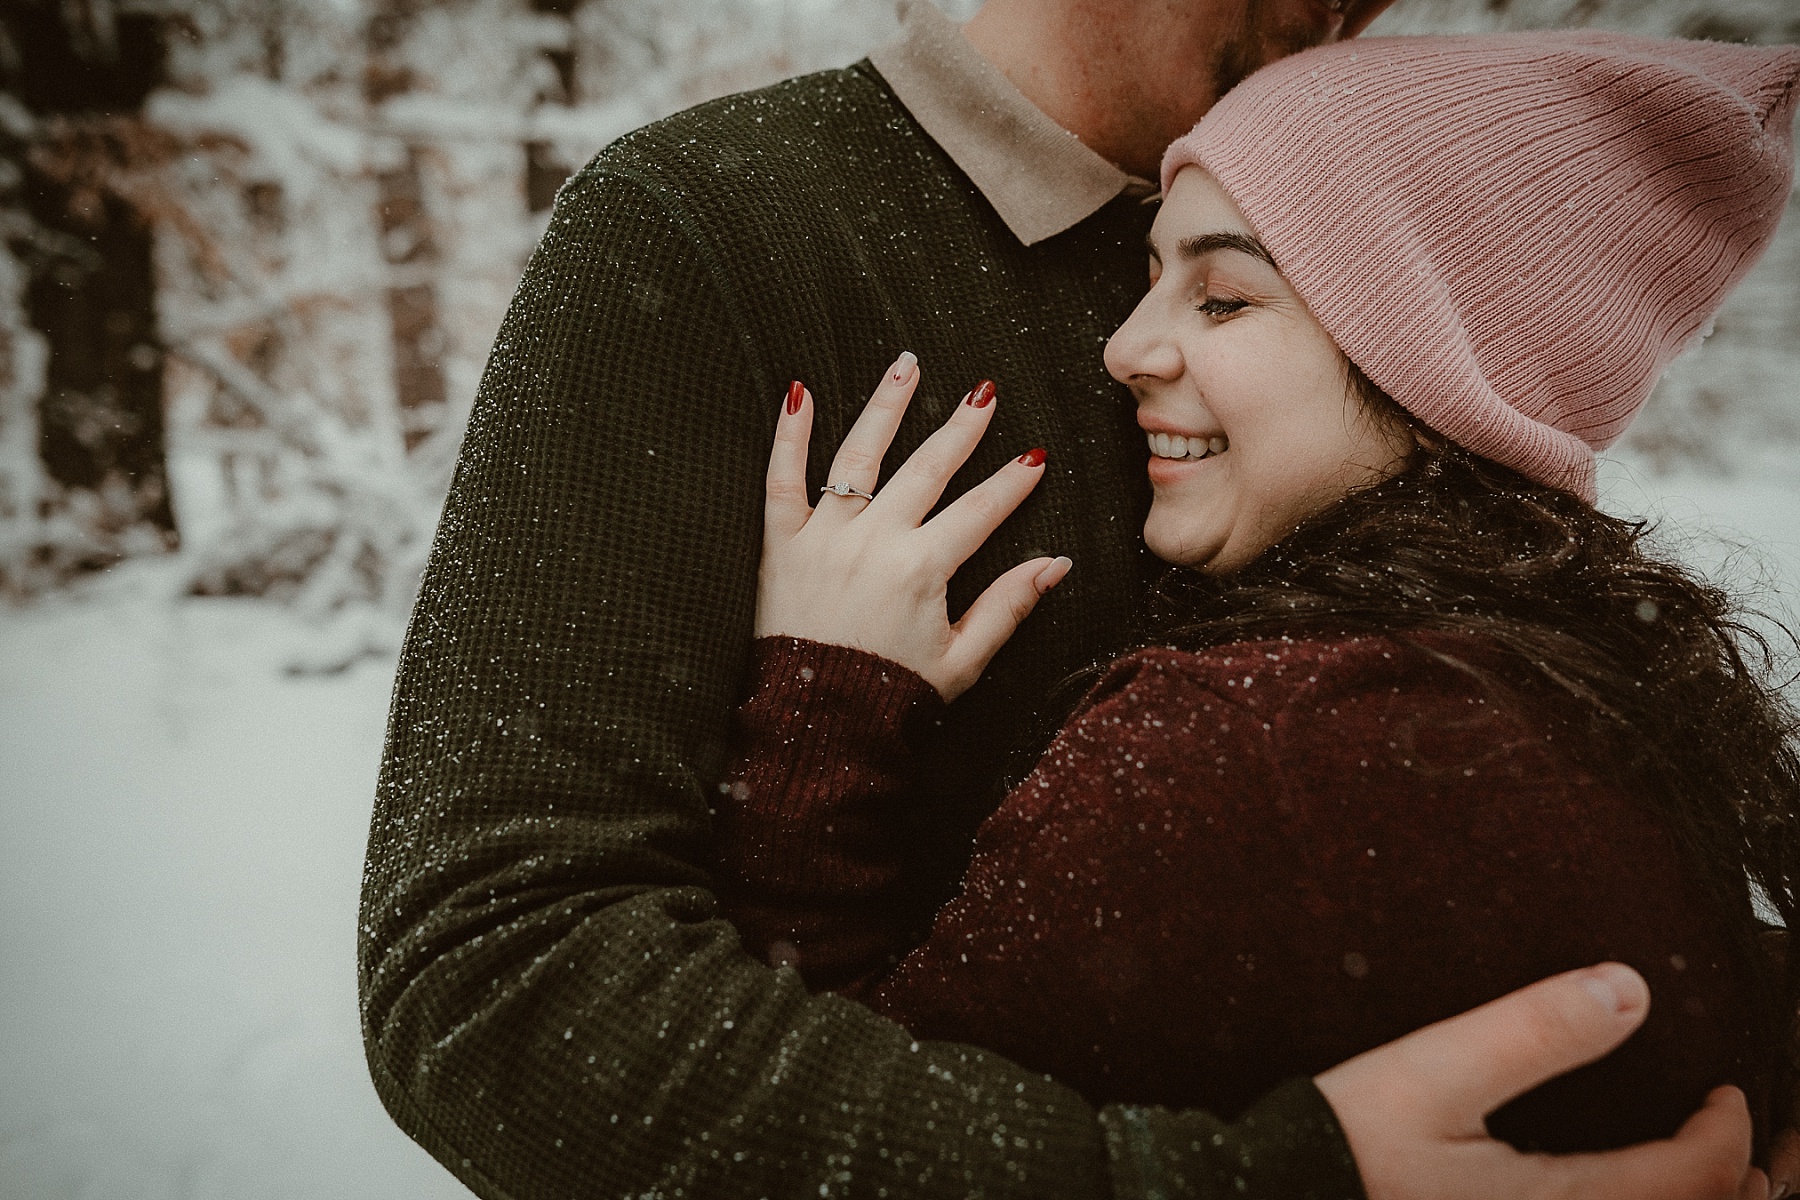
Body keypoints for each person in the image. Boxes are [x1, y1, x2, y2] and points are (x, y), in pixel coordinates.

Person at [355, 0, 1789, 1190]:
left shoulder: (1347, 193)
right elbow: (501, 983)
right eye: (1185, 286)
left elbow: (1491, 837)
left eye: (1219, 297)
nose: (1134, 346)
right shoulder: (708, 230)